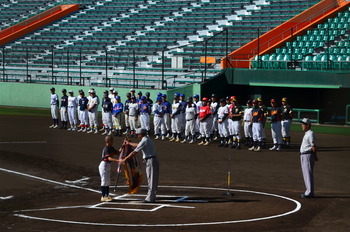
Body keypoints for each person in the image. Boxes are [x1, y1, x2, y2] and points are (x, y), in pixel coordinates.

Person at [121, 128, 159, 203]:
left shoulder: (144, 140)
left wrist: (125, 158)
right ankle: (152, 196)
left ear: (141, 134)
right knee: (152, 179)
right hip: (151, 160)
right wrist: (128, 143)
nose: (137, 135)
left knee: (151, 179)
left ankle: (150, 198)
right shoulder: (146, 139)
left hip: (151, 161)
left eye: (138, 134)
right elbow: (138, 145)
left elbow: (134, 152)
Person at [300, 118, 318, 198]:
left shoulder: (310, 134)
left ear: (308, 125)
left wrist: (315, 156)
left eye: (303, 124)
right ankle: (308, 191)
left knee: (308, 174)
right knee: (306, 174)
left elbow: (314, 146)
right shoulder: (307, 133)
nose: (302, 125)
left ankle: (309, 192)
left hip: (307, 155)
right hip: (304, 155)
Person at [98, 135, 120, 202]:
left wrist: (123, 146)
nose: (113, 142)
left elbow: (118, 153)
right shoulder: (106, 149)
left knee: (107, 181)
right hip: (104, 165)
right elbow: (108, 158)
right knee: (104, 180)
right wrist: (117, 160)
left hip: (108, 165)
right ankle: (103, 196)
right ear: (108, 141)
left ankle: (107, 195)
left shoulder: (111, 147)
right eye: (111, 141)